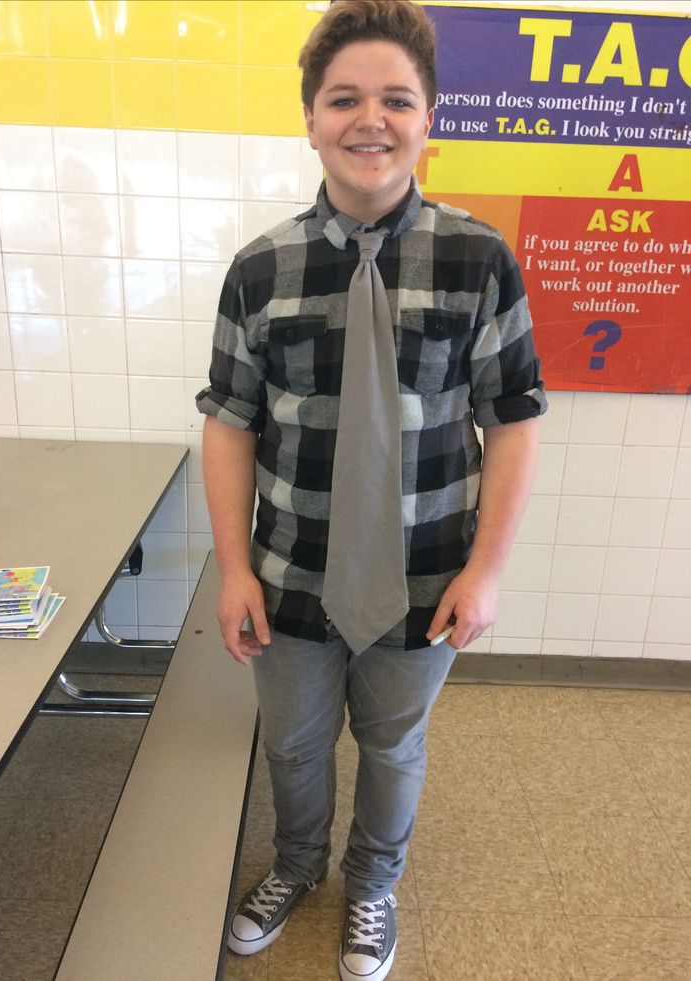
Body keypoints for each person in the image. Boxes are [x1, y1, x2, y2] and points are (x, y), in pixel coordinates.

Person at [196, 2, 547, 978]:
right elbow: (228, 424)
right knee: (295, 746)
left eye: (396, 98)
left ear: (428, 116)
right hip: (288, 574)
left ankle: (372, 886)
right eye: (344, 97)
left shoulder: (479, 260)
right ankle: (297, 866)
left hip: (424, 579)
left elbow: (511, 421)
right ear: (310, 117)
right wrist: (232, 571)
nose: (370, 119)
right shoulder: (260, 271)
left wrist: (484, 571)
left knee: (392, 751)